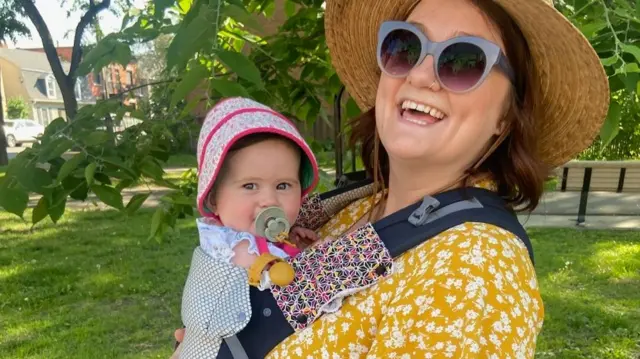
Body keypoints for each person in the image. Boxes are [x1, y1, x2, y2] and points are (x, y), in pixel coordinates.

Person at [171, 0, 609, 357]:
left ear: (505, 117)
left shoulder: (477, 273)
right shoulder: (354, 207)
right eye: (405, 47)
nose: (420, 74)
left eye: (463, 61)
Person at [179, 97, 323, 358]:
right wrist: (311, 259)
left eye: (283, 186)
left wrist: (290, 242)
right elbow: (278, 278)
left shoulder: (250, 234)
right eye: (250, 186)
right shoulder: (228, 247)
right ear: (214, 198)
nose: (269, 200)